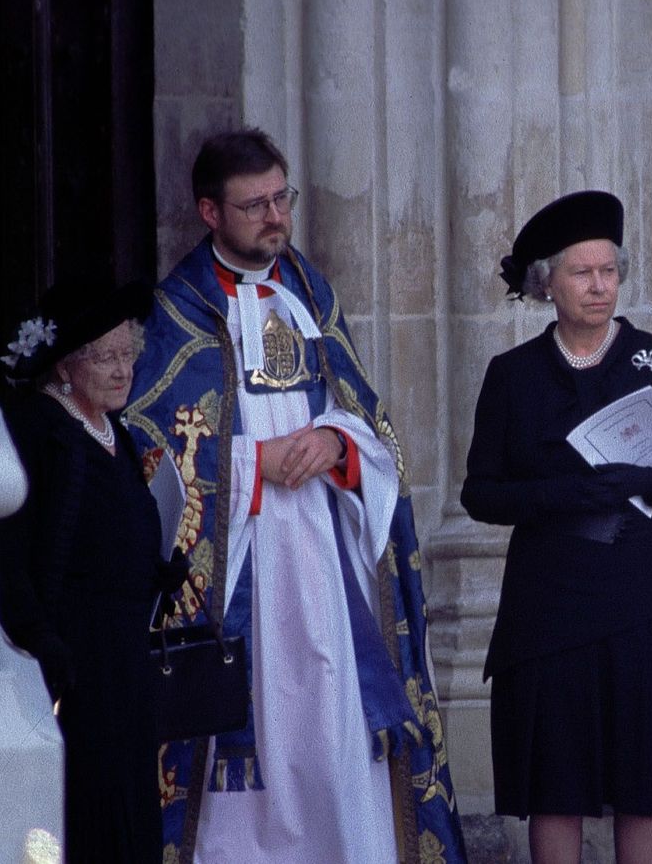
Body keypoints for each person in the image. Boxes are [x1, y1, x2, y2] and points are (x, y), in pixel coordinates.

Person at [125, 128, 465, 863]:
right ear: (209, 212)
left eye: (283, 198)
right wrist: (252, 464)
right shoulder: (177, 313)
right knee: (246, 757)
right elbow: (154, 452)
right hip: (241, 573)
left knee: (335, 728)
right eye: (255, 205)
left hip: (324, 565)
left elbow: (369, 419)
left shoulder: (310, 292)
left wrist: (340, 448)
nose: (276, 217)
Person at [460, 190, 652, 864]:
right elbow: (479, 493)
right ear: (546, 283)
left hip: (645, 596)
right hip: (549, 601)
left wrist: (643, 481)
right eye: (582, 273)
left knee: (642, 780)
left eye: (609, 270)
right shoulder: (514, 374)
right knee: (557, 779)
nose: (598, 286)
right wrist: (561, 493)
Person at [0, 276, 186, 863]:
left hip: (122, 655)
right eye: (105, 357)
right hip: (76, 659)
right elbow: (13, 550)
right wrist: (41, 638)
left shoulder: (114, 430)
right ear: (65, 367)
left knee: (130, 798)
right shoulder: (40, 431)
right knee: (91, 809)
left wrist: (159, 573)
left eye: (127, 354)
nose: (122, 369)